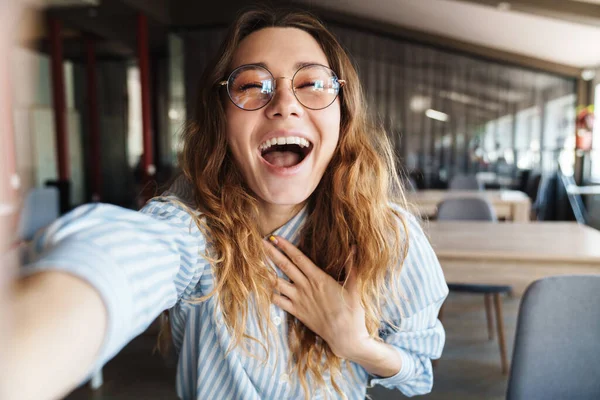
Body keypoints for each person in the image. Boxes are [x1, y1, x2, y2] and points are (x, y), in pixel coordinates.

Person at [8, 7, 448, 400]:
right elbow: (127, 255)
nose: (284, 104)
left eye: (312, 83)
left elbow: (417, 374)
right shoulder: (192, 228)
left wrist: (356, 344)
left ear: (343, 112)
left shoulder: (390, 237)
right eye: (252, 85)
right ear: (221, 118)